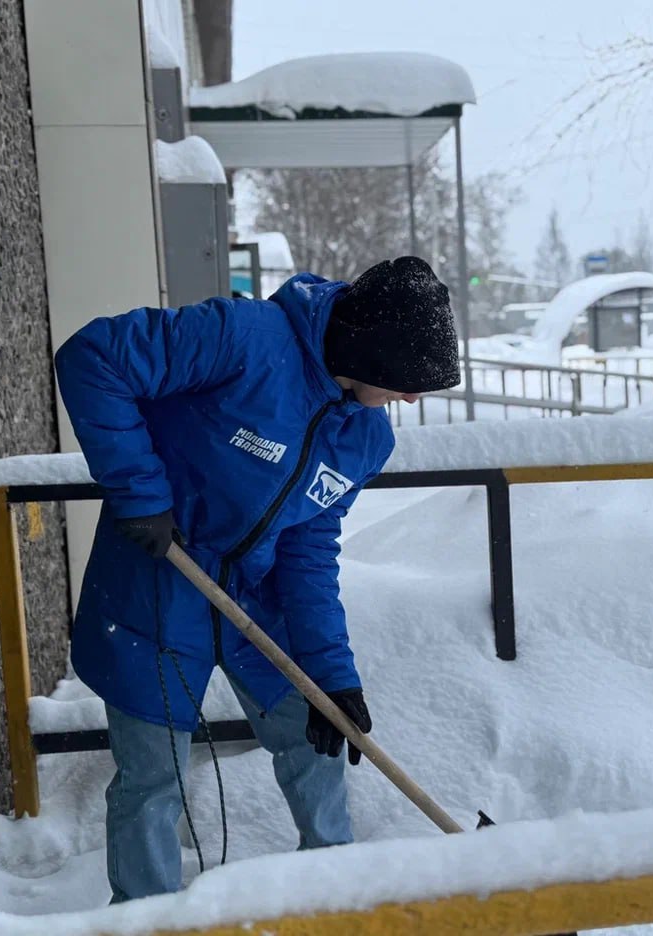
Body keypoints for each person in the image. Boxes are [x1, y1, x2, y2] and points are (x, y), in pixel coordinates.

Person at [53, 256, 461, 902]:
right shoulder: (245, 338)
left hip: (254, 592)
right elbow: (93, 357)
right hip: (160, 575)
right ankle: (145, 917)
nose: (411, 398)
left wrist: (334, 674)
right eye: (408, 381)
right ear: (371, 353)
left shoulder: (364, 439)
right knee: (154, 778)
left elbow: (308, 549)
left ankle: (333, 897)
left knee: (316, 734)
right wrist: (140, 493)